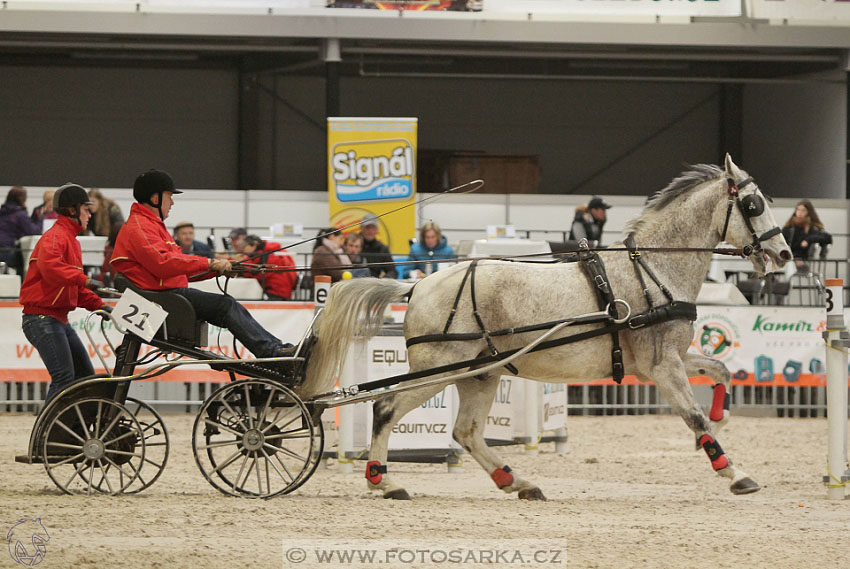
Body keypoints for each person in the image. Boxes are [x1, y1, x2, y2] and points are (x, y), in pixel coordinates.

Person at [110, 170, 295, 360]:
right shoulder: (140, 226)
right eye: (169, 197)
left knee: (226, 305)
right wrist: (210, 262)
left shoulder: (151, 225)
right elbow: (163, 263)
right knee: (226, 305)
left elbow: (179, 270)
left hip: (166, 296)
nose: (172, 203)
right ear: (155, 198)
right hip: (164, 299)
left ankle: (274, 349)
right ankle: (272, 352)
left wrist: (216, 270)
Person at [19, 184, 111, 402]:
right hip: (42, 318)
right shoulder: (55, 238)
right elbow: (53, 270)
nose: (90, 213)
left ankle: (74, 430)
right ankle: (47, 432)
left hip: (56, 319)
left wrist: (101, 305)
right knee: (64, 377)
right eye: (86, 209)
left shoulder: (70, 241)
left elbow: (74, 289)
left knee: (85, 377)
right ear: (72, 210)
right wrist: (85, 280)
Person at [240, 234, 297, 300]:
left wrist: (239, 265)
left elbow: (256, 273)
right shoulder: (273, 251)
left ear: (254, 244)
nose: (243, 250)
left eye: (245, 247)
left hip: (277, 292)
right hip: (282, 290)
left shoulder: (267, 255)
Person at [0, 186, 42, 275]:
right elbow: (33, 231)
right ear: (22, 199)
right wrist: (39, 219)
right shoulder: (19, 214)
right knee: (25, 258)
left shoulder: (2, 212)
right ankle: (21, 283)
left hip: (3, 248)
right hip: (8, 251)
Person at [782, 199, 832, 268]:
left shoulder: (812, 228)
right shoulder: (789, 227)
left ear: (808, 212)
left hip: (804, 260)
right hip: (788, 259)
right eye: (798, 210)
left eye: (803, 210)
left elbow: (827, 237)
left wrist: (808, 240)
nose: (799, 213)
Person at [359, 214, 397, 278]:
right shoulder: (352, 244)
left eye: (373, 228)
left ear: (377, 230)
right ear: (361, 228)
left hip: (374, 284)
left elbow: (392, 271)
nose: (370, 231)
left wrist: (386, 278)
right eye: (367, 227)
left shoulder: (382, 248)